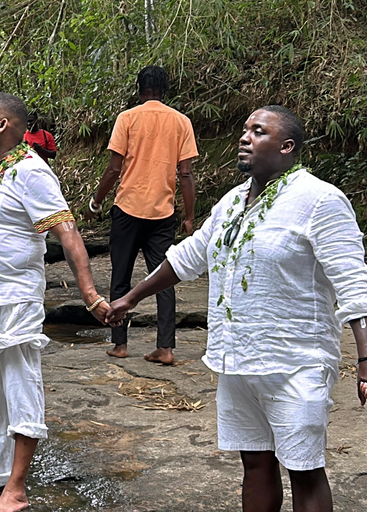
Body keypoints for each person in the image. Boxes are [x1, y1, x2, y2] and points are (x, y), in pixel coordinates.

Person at [105, 105, 367, 512]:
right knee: (255, 463)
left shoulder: (319, 201)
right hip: (237, 358)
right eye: (244, 129)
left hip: (294, 361)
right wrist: (131, 297)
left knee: (304, 468)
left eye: (258, 131)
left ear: (286, 147)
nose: (245, 137)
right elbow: (190, 255)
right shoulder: (231, 202)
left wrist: (365, 359)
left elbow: (353, 283)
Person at [0, 92, 110, 512]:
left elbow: (68, 231)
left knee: (19, 388)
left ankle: (17, 490)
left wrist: (90, 295)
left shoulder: (30, 170)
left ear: (2, 124)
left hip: (10, 301)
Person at [85, 65, 197, 365]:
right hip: (163, 212)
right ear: (165, 89)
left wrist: (96, 202)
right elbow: (185, 175)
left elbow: (113, 169)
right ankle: (165, 348)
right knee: (163, 278)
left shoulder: (128, 118)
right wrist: (189, 216)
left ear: (139, 88)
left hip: (128, 209)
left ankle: (120, 344)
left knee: (120, 277)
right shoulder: (181, 122)